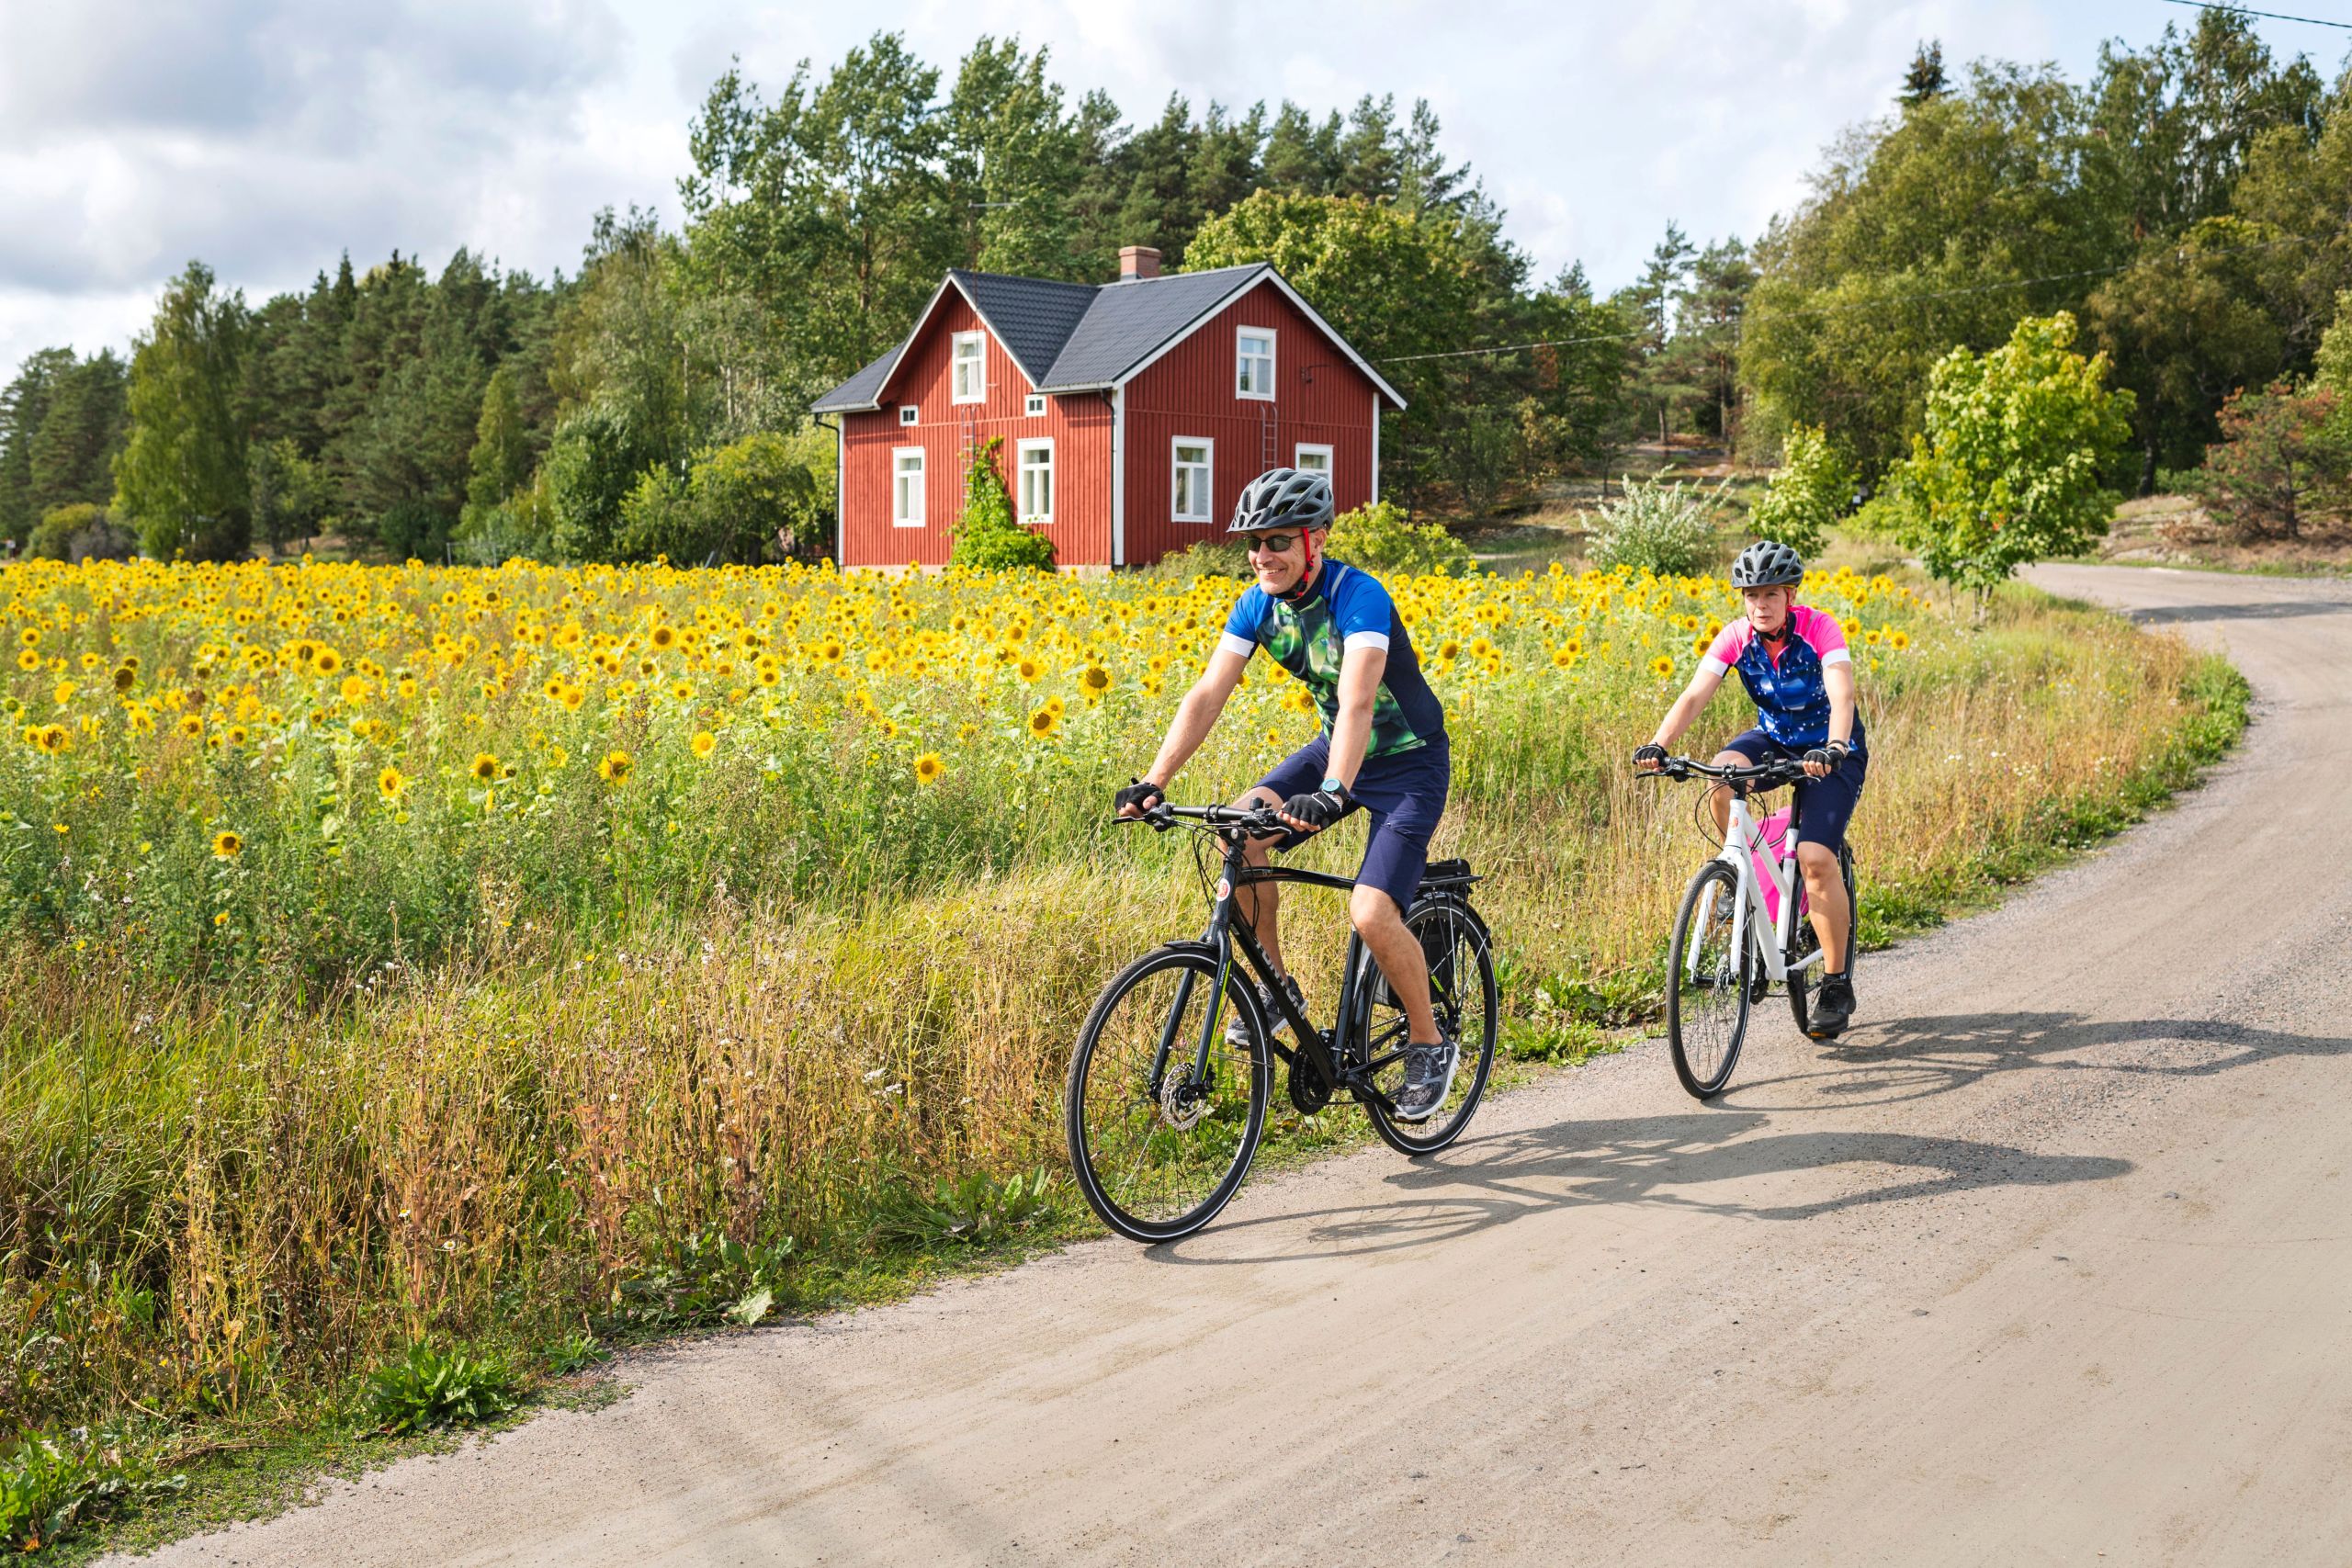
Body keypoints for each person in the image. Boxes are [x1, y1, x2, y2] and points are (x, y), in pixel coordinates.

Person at [1113, 468, 1457, 1119]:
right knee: (1239, 833)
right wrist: (1156, 780)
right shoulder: (1258, 606)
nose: (1262, 555)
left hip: (1408, 764)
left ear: (1315, 540)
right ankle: (1276, 990)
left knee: (1371, 912)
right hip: (1336, 751)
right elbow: (1208, 693)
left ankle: (1428, 1041)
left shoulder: (1359, 597)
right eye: (1253, 542)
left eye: (1277, 541)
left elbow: (1357, 701)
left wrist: (1331, 791)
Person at [1634, 539, 1867, 1038]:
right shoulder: (1737, 637)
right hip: (1776, 739)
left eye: (1770, 594)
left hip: (1830, 748)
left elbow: (1842, 693)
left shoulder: (1819, 629)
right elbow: (1694, 694)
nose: (1760, 605)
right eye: (1751, 595)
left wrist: (1834, 746)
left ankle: (1835, 981)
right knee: (1722, 775)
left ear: (1790, 596)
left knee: (1815, 859)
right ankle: (1742, 875)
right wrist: (1658, 743)